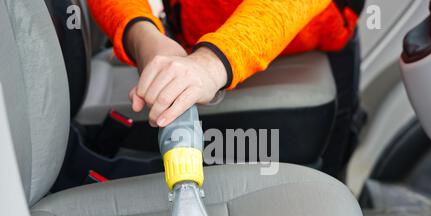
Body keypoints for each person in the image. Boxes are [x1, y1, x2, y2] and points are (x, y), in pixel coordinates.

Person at [87, 0, 360, 129]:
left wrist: (214, 61)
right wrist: (143, 38)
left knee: (334, 158)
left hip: (308, 44)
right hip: (193, 44)